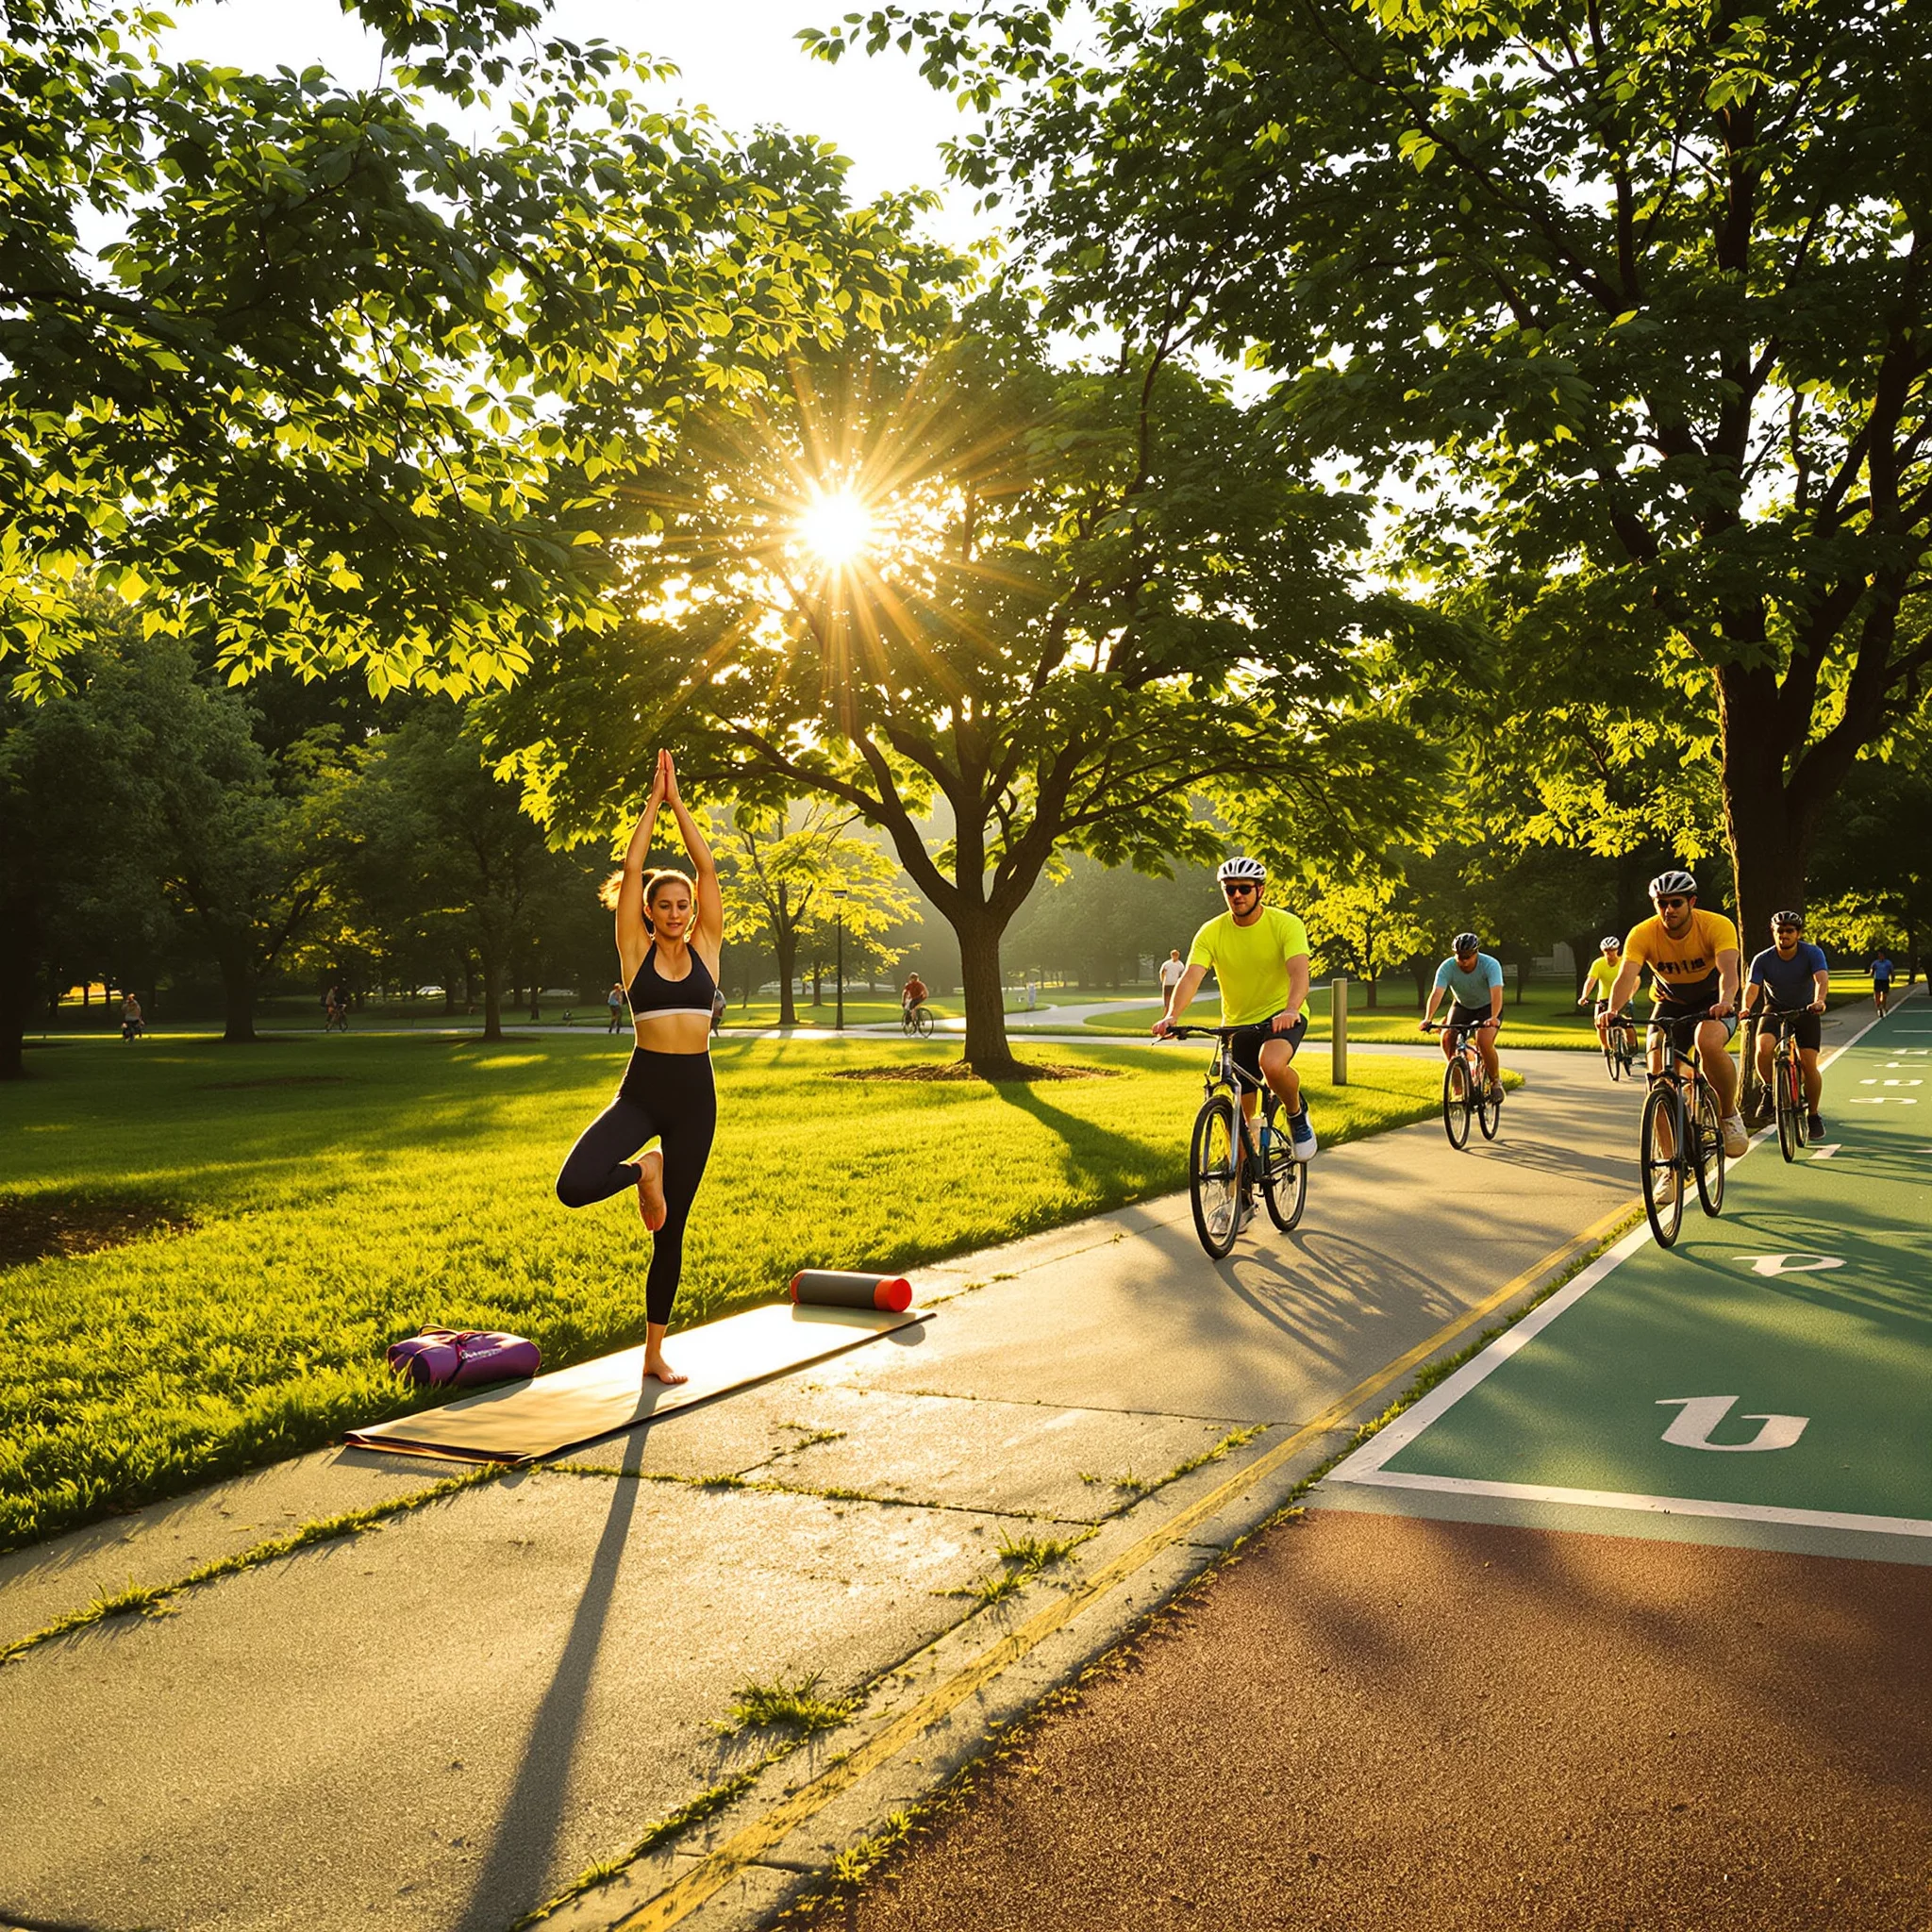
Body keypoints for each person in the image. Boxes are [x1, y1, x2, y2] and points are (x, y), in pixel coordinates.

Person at [554, 751, 723, 1387]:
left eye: (684, 904)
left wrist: (683, 803)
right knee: (574, 1186)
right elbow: (630, 866)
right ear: (648, 912)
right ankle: (641, 1171)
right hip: (644, 1089)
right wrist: (653, 803)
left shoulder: (708, 948)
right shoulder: (634, 953)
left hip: (695, 1097)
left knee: (671, 1230)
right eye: (666, 905)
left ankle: (653, 1352)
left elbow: (706, 866)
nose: (678, 911)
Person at [1153, 856, 1318, 1187]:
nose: (1237, 895)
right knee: (1239, 1121)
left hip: (1281, 1017)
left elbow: (1299, 971)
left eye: (1244, 889)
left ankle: (1296, 1114)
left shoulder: (1286, 924)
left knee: (1271, 1064)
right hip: (1237, 1025)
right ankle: (1240, 1198)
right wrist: (1173, 1015)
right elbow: (1191, 978)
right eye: (1230, 890)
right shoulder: (1211, 932)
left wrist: (1291, 1008)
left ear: (1260, 890)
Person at [1605, 869, 1748, 1158]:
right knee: (1657, 1078)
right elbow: (1626, 975)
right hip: (1669, 1002)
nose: (1668, 909)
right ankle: (1669, 1164)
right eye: (1661, 903)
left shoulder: (1716, 925)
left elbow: (1728, 973)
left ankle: (1729, 1114)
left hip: (1713, 1002)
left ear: (1691, 902)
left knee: (1707, 1042)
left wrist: (1725, 1001)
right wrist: (1612, 1010)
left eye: (1675, 903)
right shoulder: (1643, 933)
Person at [1743, 910, 1830, 1138]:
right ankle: (1769, 1090)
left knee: (1809, 1064)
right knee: (1763, 1047)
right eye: (1779, 930)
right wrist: (1745, 1007)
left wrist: (1819, 1001)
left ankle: (1813, 1115)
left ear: (1798, 933)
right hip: (1775, 1008)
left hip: (1806, 1010)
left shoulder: (1812, 953)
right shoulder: (1763, 959)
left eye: (1789, 931)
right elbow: (1752, 987)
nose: (1784, 935)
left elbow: (1821, 978)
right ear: (1773, 933)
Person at [1421, 933, 1505, 1101]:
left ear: (1476, 953)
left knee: (1483, 1041)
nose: (1463, 961)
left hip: (1488, 1007)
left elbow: (1496, 993)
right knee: (1447, 1037)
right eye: (1460, 956)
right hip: (1462, 1006)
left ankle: (1496, 1081)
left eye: (1468, 957)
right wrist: (1428, 1018)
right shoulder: (1447, 967)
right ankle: (1458, 1086)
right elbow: (1437, 993)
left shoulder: (1490, 965)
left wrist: (1494, 1017)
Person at [1576, 937, 1627, 1052]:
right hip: (1603, 998)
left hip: (1621, 997)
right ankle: (1605, 1046)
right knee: (1599, 1022)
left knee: (1627, 1024)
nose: (1609, 953)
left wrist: (1629, 995)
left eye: (1612, 950)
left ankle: (1631, 1046)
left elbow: (1633, 979)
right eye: (1606, 950)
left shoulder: (1623, 962)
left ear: (1617, 950)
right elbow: (1591, 981)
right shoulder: (1598, 963)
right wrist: (1584, 996)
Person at [1869, 950, 1893, 1017]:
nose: (1880, 956)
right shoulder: (1875, 963)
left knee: (1884, 995)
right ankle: (1879, 1008)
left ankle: (1883, 1006)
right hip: (1878, 980)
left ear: (1884, 955)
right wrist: (1872, 971)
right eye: (1879, 955)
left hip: (1885, 980)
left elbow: (1891, 971)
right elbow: (1871, 972)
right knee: (1877, 995)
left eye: (1881, 955)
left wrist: (1892, 978)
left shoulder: (1888, 963)